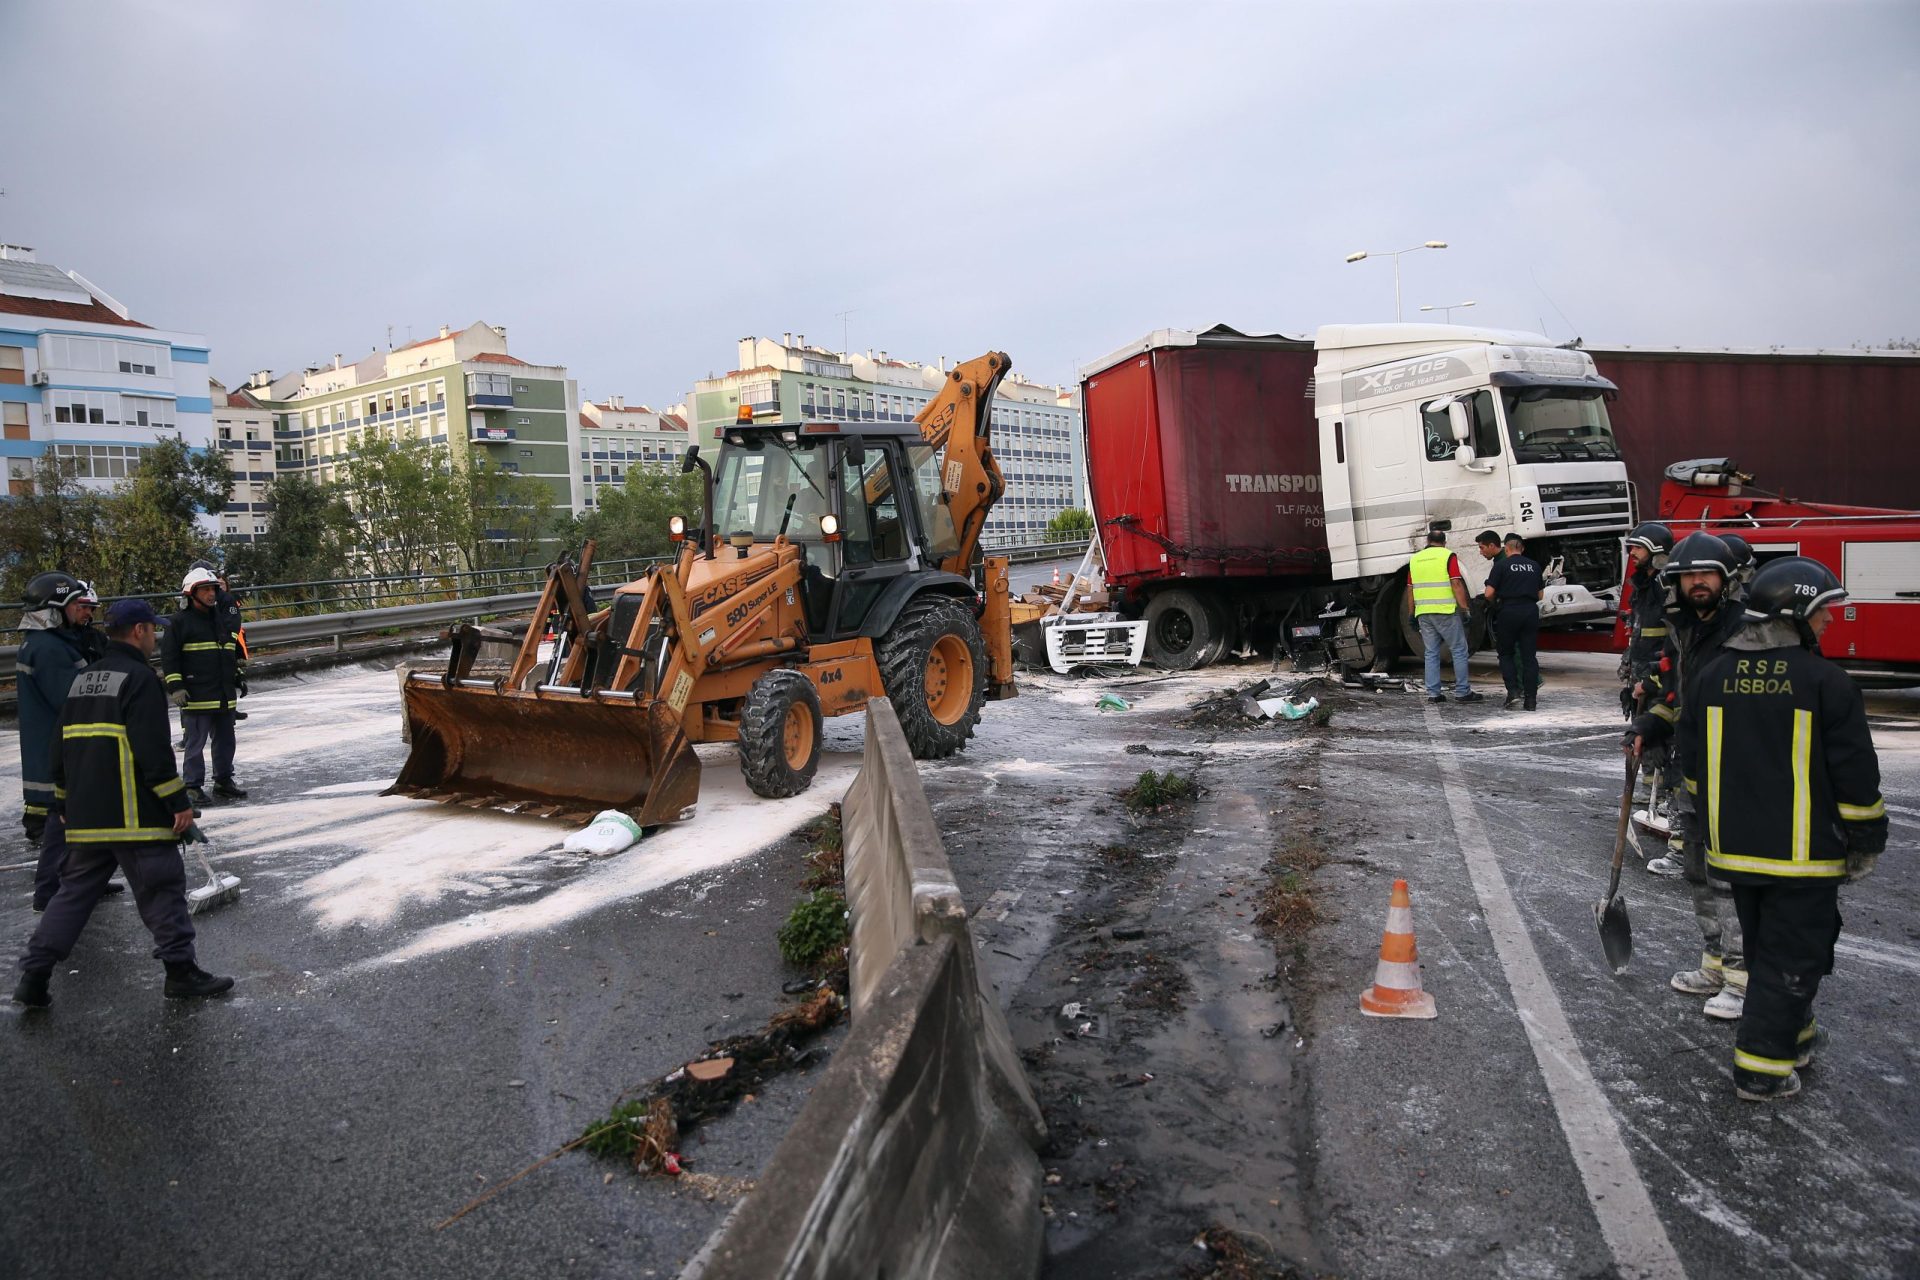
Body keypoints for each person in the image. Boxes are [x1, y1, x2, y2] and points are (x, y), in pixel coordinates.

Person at [1679, 557, 1886, 1101]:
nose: (1830, 622)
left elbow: (1692, 766)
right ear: (1795, 613)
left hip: (1735, 857)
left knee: (1769, 951)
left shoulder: (1711, 676)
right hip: (1804, 859)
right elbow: (1856, 779)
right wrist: (1866, 842)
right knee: (1794, 956)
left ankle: (1794, 1036)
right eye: (1823, 612)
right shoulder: (1826, 682)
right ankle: (1762, 1070)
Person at [13, 599, 233, 1008]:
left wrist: (62, 802)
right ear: (138, 631)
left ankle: (34, 976)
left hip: (84, 816)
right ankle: (181, 972)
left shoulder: (84, 678)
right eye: (153, 629)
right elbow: (152, 749)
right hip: (135, 815)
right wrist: (176, 801)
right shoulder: (139, 678)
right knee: (162, 888)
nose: (154, 637)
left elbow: (58, 747)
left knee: (72, 895)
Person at [1628, 532, 1749, 1018]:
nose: (1698, 583)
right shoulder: (1683, 628)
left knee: (1733, 881)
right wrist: (1652, 723)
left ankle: (1743, 981)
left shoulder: (1747, 630)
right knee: (1698, 873)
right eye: (1688, 576)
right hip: (1694, 771)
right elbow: (1678, 694)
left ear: (1727, 579)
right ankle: (1716, 963)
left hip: (1738, 777)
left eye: (1707, 574)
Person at [15, 573, 130, 912]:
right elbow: (72, 698)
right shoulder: (48, 649)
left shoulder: (61, 642)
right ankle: (49, 891)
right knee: (59, 824)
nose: (86, 613)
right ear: (54, 610)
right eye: (77, 606)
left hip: (65, 747)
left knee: (79, 819)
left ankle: (84, 879)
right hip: (62, 750)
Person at [162, 566, 248, 806]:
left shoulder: (219, 620)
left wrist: (237, 675)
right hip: (197, 696)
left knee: (225, 741)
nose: (212, 594)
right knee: (195, 743)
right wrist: (176, 687)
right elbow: (169, 658)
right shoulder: (178, 623)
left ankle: (223, 781)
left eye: (213, 589)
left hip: (222, 694)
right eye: (206, 590)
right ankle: (192, 786)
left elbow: (227, 650)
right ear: (192, 593)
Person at [1404, 529, 1484, 705]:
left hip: (1424, 613)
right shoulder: (1448, 556)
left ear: (1427, 541)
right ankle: (1463, 692)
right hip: (1445, 611)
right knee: (1458, 650)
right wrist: (1465, 609)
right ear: (1444, 542)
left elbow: (1410, 589)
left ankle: (1433, 693)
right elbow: (1456, 583)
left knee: (1431, 653)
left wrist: (1411, 613)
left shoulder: (1415, 559)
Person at [1484, 533, 1545, 710]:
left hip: (1508, 611)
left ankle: (1513, 693)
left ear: (1507, 548)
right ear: (1522, 548)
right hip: (1530, 611)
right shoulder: (1534, 566)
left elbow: (1488, 593)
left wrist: (1494, 602)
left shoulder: (1501, 565)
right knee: (1529, 657)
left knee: (1506, 653)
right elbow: (1541, 595)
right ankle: (1531, 700)